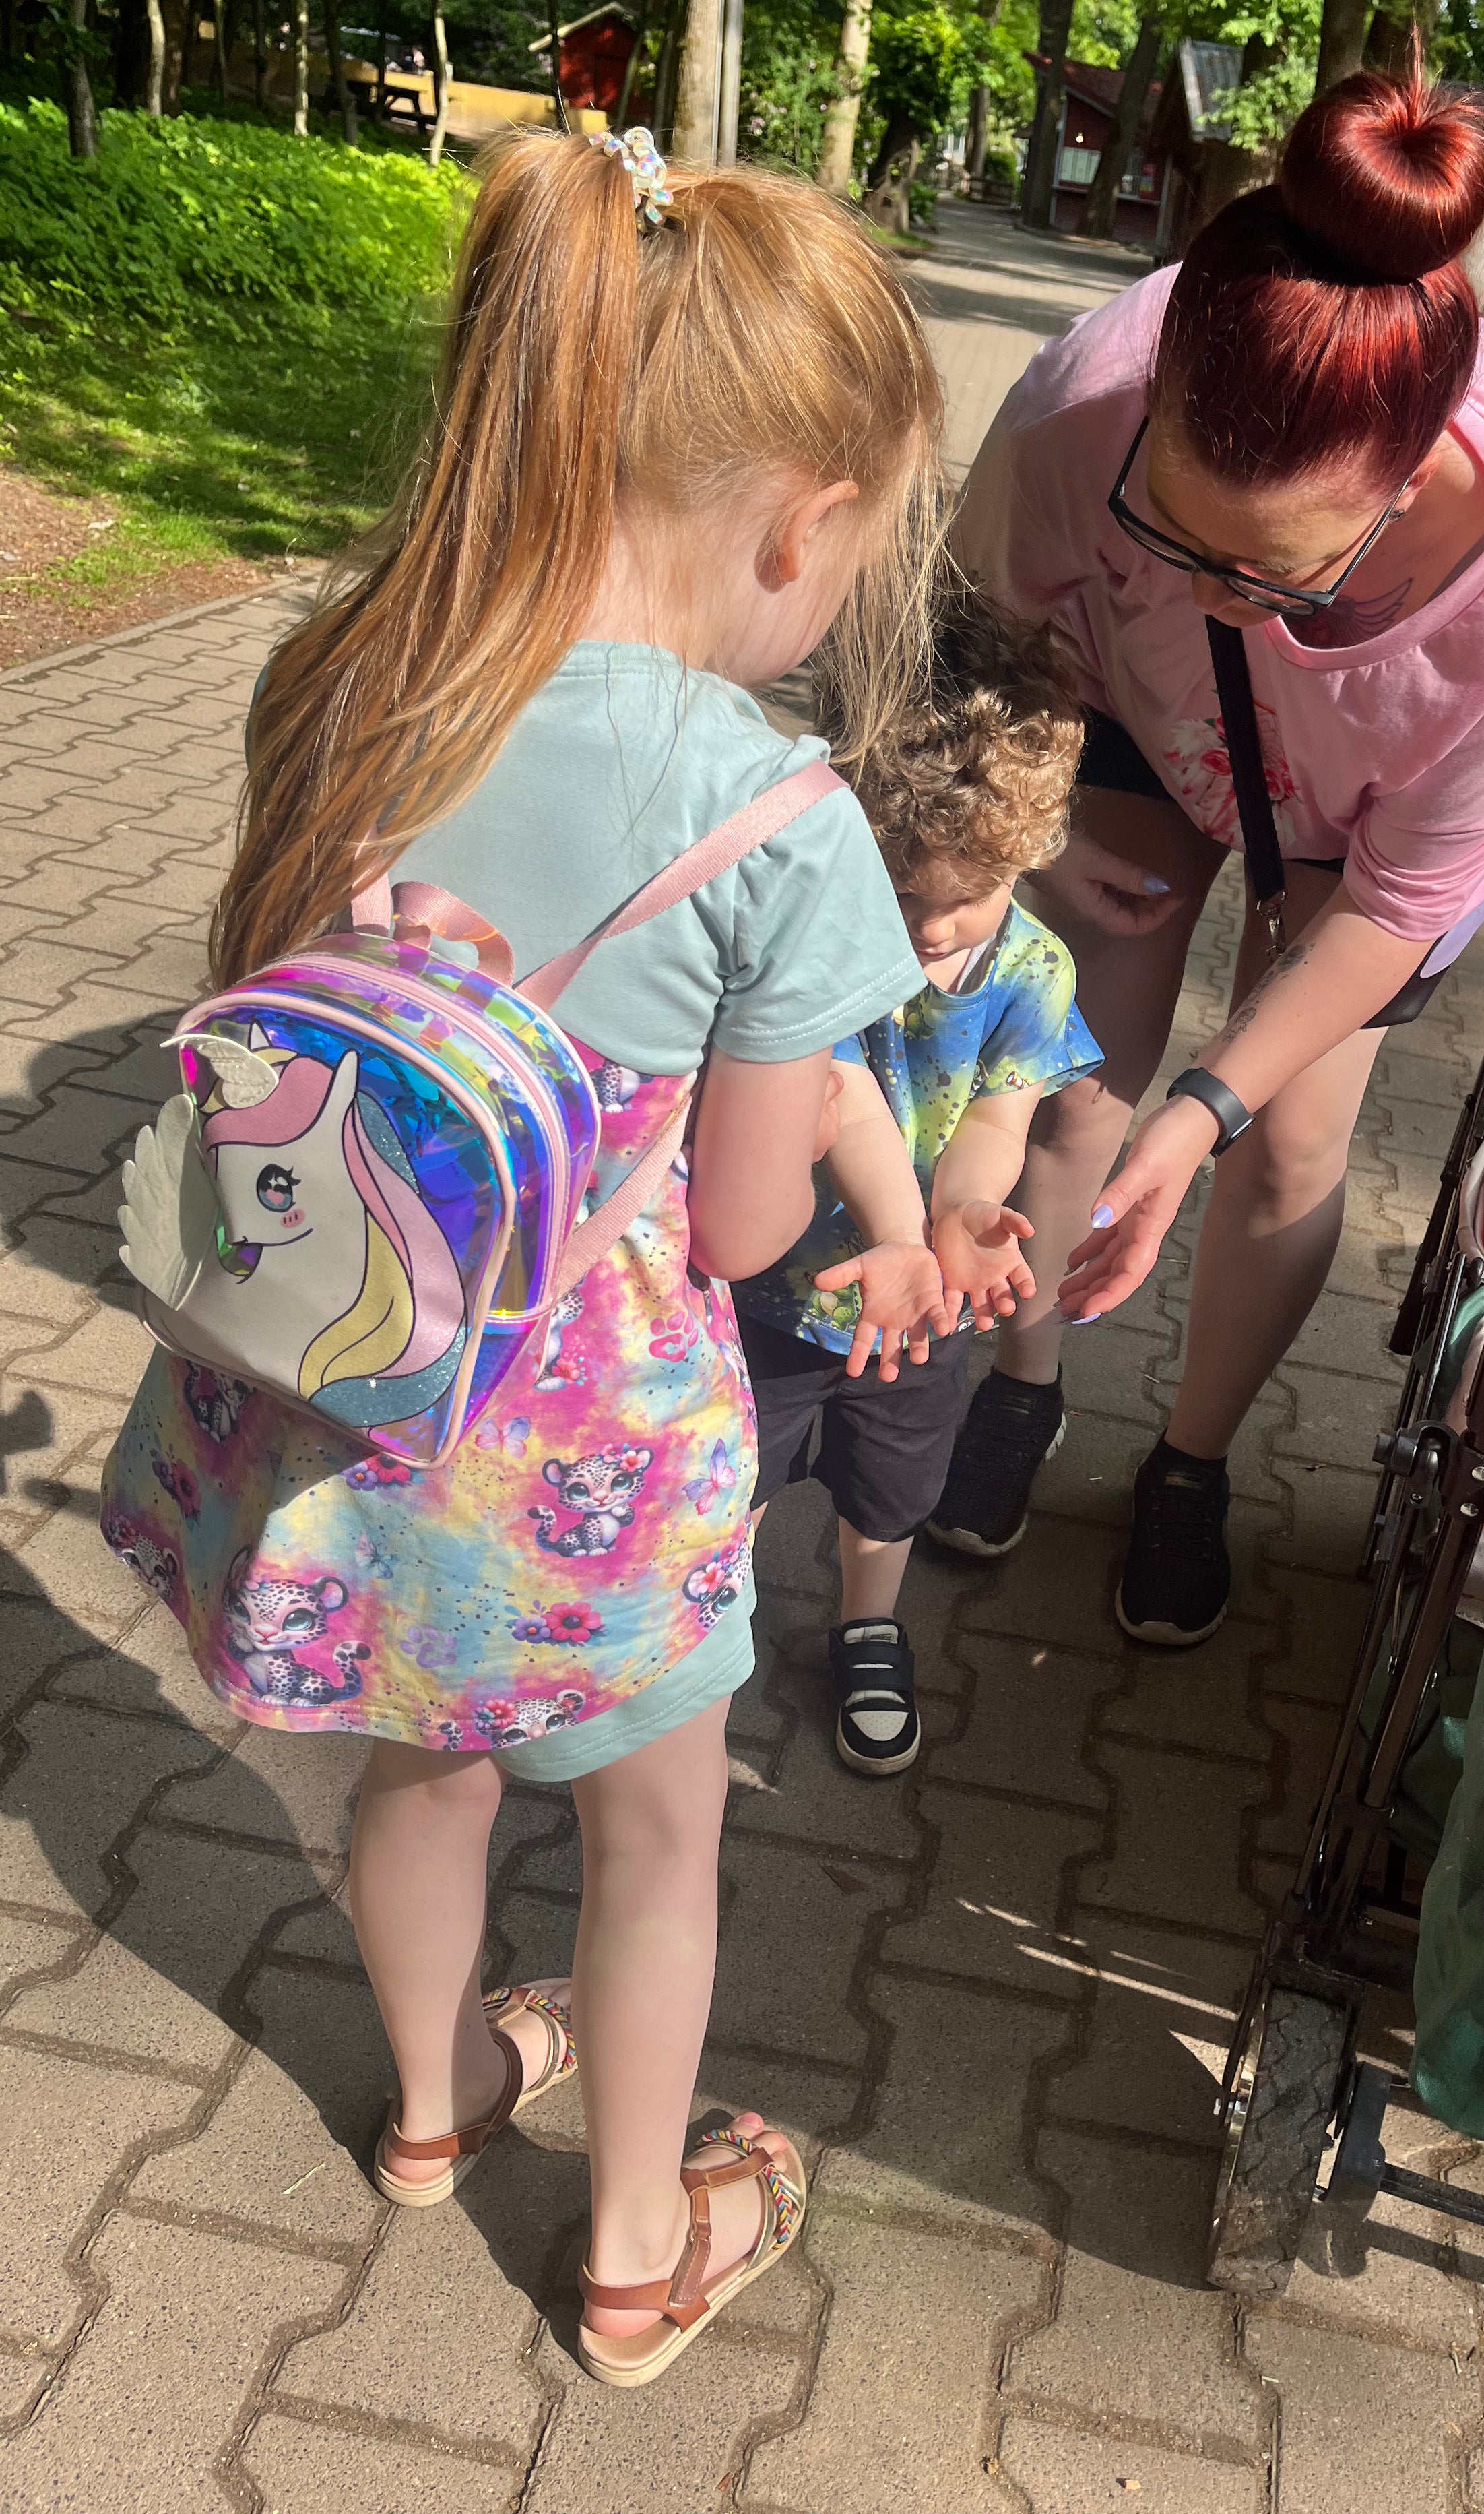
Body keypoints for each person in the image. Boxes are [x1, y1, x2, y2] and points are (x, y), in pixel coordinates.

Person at [98, 131, 942, 2385]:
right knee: (657, 1837)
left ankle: (436, 2103)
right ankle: (638, 2254)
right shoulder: (779, 819)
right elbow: (746, 1229)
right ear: (802, 524)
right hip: (575, 1450)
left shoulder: (344, 674)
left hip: (338, 1387)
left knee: (420, 1763)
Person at [926, 67, 1484, 1647]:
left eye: (1272, 569)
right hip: (1130, 717)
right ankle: (1023, 1382)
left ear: (1410, 480)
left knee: (1288, 1144)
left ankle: (1192, 1458)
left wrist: (1206, 1111)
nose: (1208, 590)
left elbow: (1406, 899)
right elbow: (970, 645)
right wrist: (1027, 843)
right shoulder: (1084, 400)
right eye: (1169, 530)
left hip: (1366, 824)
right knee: (1079, 1072)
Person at [736, 583, 1101, 1773]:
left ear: (1024, 862)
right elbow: (837, 1092)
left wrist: (964, 1214)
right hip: (769, 1284)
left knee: (891, 1490)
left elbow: (998, 1117)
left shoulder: (1033, 971)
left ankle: (867, 1625)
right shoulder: (812, 929)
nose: (935, 930)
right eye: (905, 895)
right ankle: (703, 1625)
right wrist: (904, 1226)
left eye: (967, 899)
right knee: (729, 1477)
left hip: (917, 1309)